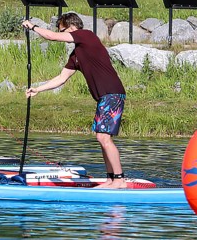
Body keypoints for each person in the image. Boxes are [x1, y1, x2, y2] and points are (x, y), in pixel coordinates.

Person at [23, 12, 128, 189]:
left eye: (63, 30)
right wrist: (38, 90)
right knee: (101, 137)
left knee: (103, 137)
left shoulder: (86, 35)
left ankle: (119, 180)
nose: (62, 34)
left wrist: (32, 26)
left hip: (112, 94)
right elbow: (61, 78)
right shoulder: (77, 54)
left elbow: (52, 36)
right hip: (104, 97)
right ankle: (111, 179)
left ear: (71, 27)